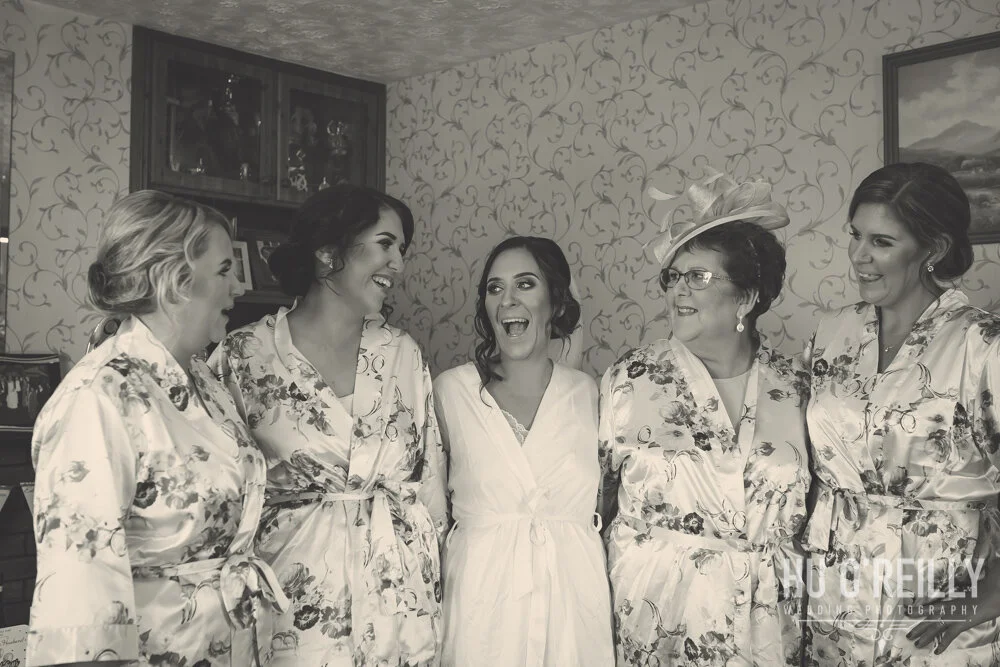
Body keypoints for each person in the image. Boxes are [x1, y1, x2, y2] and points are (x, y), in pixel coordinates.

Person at [27, 190, 288, 667]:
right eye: (225, 271)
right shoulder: (98, 398)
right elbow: (79, 595)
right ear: (173, 282)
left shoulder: (204, 379)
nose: (239, 288)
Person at [209, 183, 448, 666]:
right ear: (327, 253)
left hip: (398, 603)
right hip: (293, 604)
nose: (398, 264)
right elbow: (217, 494)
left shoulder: (402, 353)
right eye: (385, 244)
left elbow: (430, 482)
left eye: (402, 250)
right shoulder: (245, 355)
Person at [599, 169, 811, 666]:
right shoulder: (631, 379)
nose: (678, 291)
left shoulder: (798, 387)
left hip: (769, 624)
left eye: (697, 277)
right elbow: (596, 500)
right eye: (672, 277)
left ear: (747, 298)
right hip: (659, 618)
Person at [802, 162, 1000, 666]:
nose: (859, 256)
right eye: (855, 235)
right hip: (835, 597)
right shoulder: (832, 333)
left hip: (937, 600)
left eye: (882, 242)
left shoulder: (982, 346)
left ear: (933, 249)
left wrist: (988, 597)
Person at [435, 235, 614, 667]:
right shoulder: (451, 392)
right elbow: (427, 515)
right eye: (495, 288)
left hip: (573, 609)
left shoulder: (590, 395)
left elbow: (610, 507)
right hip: (480, 606)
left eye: (525, 284)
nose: (507, 300)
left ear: (556, 301)